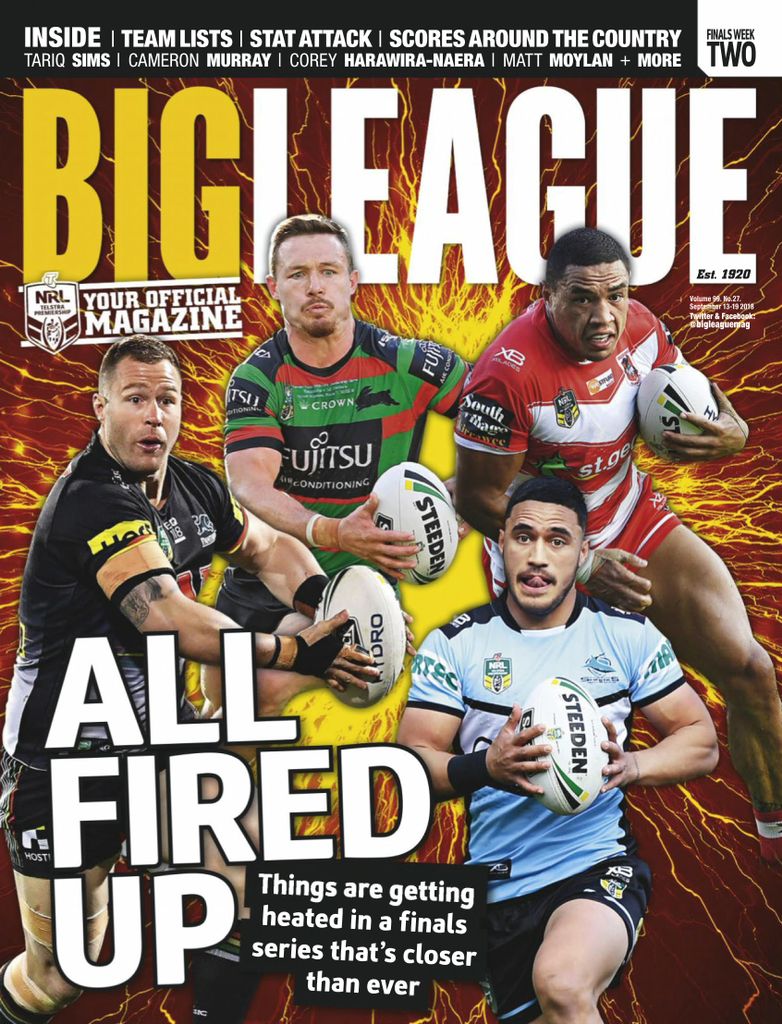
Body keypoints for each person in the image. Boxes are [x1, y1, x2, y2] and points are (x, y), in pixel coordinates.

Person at [0, 335, 374, 1024]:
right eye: (136, 400)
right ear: (100, 408)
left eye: (166, 400)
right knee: (62, 976)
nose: (153, 417)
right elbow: (165, 616)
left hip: (160, 746)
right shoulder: (90, 499)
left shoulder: (195, 487)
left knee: (250, 882)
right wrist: (298, 656)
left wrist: (321, 605)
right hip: (62, 766)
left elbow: (267, 548)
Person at [453, 227, 782, 861]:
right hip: (544, 559)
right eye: (580, 299)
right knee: (548, 757)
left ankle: (774, 837)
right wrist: (580, 562)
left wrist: (732, 432)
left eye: (617, 296)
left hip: (631, 519)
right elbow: (477, 501)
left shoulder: (640, 325)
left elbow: (688, 398)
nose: (603, 316)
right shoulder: (504, 376)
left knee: (750, 669)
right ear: (546, 296)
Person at [398, 477, 718, 1024]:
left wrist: (634, 764)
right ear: (499, 544)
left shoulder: (626, 635)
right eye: (523, 537)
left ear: (583, 553)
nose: (538, 557)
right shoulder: (454, 645)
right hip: (499, 893)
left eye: (557, 540)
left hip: (595, 865)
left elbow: (701, 740)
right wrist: (487, 766)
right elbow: (411, 766)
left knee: (563, 984)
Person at [210, 212, 470, 646]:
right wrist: (331, 531)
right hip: (270, 569)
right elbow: (250, 484)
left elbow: (502, 424)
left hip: (361, 578)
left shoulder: (408, 364)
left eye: (327, 272)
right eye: (297, 274)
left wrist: (464, 495)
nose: (315, 286)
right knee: (223, 694)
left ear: (351, 282)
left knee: (279, 682)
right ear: (274, 288)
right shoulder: (257, 378)